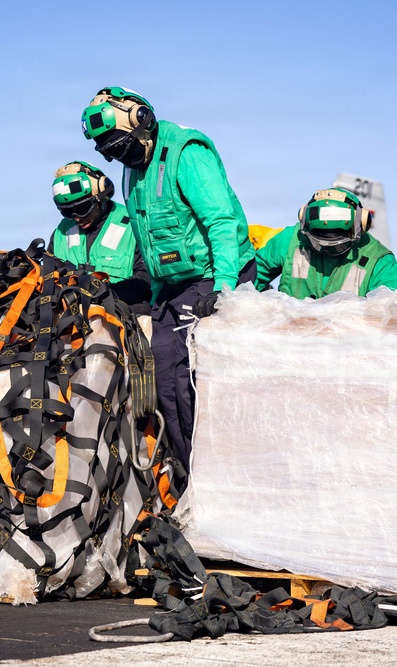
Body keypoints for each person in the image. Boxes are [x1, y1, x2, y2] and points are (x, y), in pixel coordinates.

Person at [81, 87, 256, 469]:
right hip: (174, 287)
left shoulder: (186, 152)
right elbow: (147, 237)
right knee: (154, 367)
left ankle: (208, 468)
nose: (116, 156)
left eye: (120, 146)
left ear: (142, 121)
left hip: (215, 274)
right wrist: (155, 295)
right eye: (109, 151)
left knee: (181, 376)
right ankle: (184, 467)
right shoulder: (133, 169)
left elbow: (221, 221)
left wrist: (223, 287)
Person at [254, 187, 397, 297]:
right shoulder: (291, 239)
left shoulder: (380, 263)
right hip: (289, 334)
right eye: (317, 244)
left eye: (337, 247)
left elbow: (384, 320)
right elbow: (249, 278)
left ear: (361, 226)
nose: (325, 250)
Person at [48, 161, 151, 317]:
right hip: (70, 320)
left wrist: (104, 293)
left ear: (101, 196)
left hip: (123, 315)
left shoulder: (133, 225)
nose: (76, 218)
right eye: (68, 212)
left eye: (82, 209)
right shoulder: (61, 233)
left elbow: (147, 280)